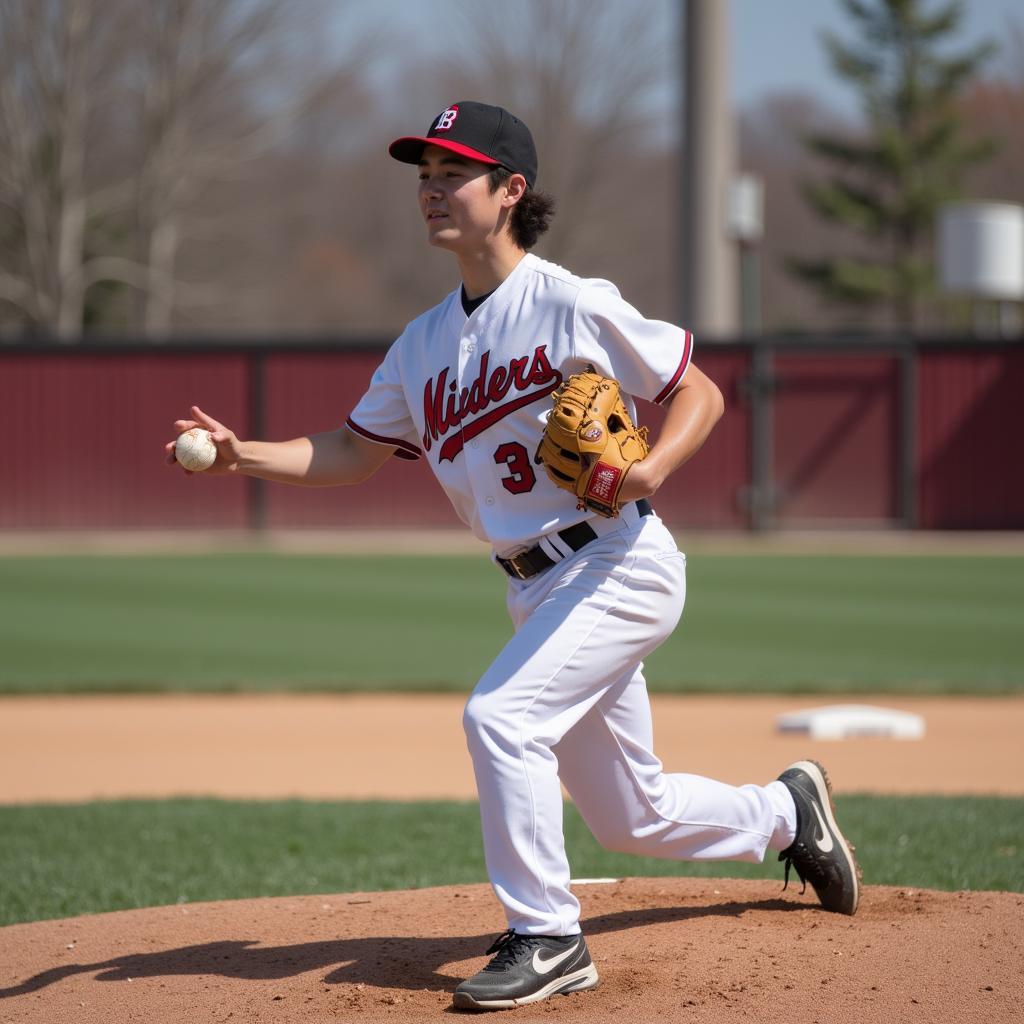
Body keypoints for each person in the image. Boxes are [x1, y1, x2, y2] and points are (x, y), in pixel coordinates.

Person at [166, 101, 860, 1012]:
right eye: (424, 174)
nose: (431, 190)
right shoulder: (421, 345)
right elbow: (351, 450)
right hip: (538, 589)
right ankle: (786, 812)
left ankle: (549, 936)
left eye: (453, 172)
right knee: (631, 815)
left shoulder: (571, 300)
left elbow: (698, 391)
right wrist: (241, 453)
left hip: (617, 562)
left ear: (511, 190)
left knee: (500, 718)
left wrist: (648, 465)